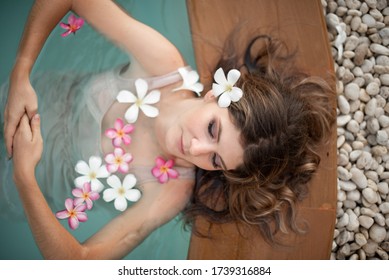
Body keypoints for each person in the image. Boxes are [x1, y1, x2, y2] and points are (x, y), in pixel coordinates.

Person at [1, 0, 334, 259]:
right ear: (214, 94)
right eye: (212, 129)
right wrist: (22, 70)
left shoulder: (170, 191)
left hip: (26, 182)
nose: (195, 149)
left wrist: (24, 177)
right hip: (28, 100)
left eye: (216, 161)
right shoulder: (161, 66)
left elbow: (77, 264)